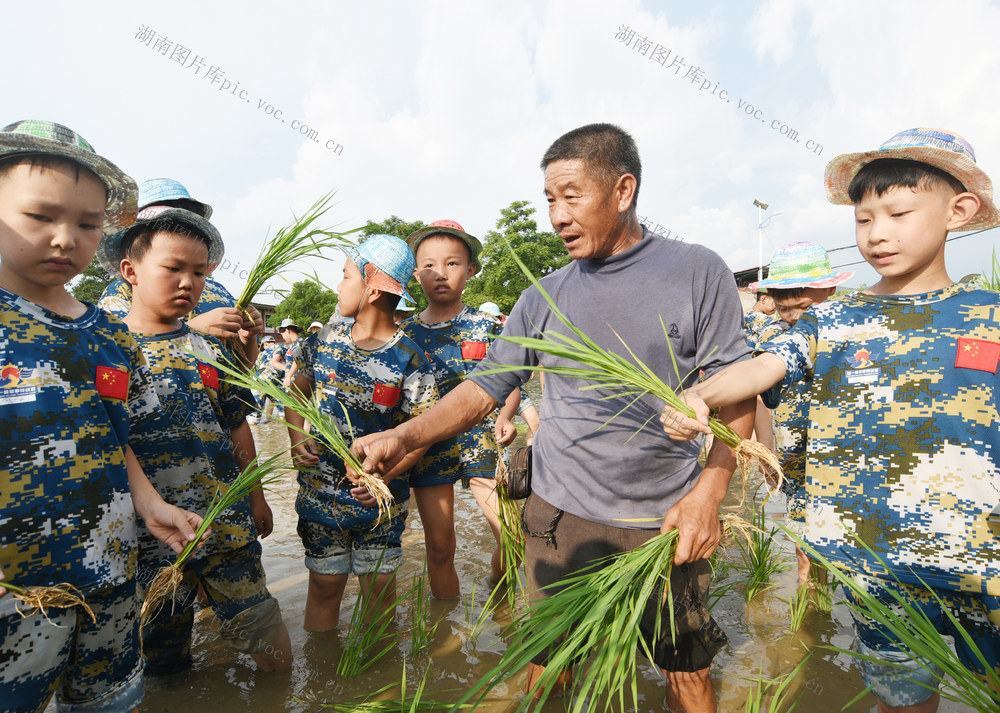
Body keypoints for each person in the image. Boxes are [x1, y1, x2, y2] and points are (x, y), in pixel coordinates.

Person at [354, 123, 754, 712]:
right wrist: (403, 435)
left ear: (622, 190)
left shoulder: (695, 272)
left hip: (666, 517)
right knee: (549, 669)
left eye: (571, 196)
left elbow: (737, 395)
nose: (557, 215)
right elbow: (487, 386)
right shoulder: (544, 295)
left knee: (686, 672)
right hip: (558, 518)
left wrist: (708, 495)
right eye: (549, 199)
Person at [661, 128, 1000, 713]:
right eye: (863, 220)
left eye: (898, 212)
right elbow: (763, 366)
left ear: (959, 210)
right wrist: (703, 397)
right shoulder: (835, 321)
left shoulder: (989, 317)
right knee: (901, 698)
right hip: (879, 573)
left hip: (984, 568)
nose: (878, 234)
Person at [0, 120, 203, 713]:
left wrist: (150, 503)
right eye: (40, 217)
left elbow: (115, 439)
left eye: (87, 224)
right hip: (14, 597)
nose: (66, 238)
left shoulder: (108, 334)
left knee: (111, 702)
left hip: (109, 576)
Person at [104, 206, 291, 678]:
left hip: (226, 527)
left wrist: (257, 496)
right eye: (173, 268)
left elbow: (237, 428)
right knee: (162, 659)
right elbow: (102, 446)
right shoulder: (108, 351)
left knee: (268, 641)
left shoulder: (208, 350)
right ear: (130, 271)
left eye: (199, 272)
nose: (188, 282)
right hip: (150, 541)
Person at [286, 234, 438, 631]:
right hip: (321, 492)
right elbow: (295, 393)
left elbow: (420, 434)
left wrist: (383, 479)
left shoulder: (411, 358)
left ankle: (373, 681)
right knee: (323, 586)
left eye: (346, 275)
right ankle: (319, 682)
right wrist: (296, 437)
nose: (339, 285)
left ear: (372, 288)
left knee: (379, 592)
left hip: (379, 502)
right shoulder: (321, 342)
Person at [401, 219, 521, 597]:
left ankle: (499, 601)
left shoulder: (488, 327)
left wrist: (505, 415)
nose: (441, 273)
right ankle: (445, 632)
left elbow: (510, 381)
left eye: (453, 263)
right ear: (416, 273)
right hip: (427, 450)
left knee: (513, 537)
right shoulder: (403, 336)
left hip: (483, 444)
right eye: (430, 265)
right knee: (439, 548)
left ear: (470, 270)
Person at [749, 242, 852, 587]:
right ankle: (813, 603)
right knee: (803, 537)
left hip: (844, 454)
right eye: (784, 307)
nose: (793, 316)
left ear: (828, 291)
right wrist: (766, 451)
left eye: (804, 306)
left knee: (851, 541)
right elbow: (763, 398)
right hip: (796, 456)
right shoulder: (770, 335)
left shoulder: (848, 332)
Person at [97, 178, 263, 367]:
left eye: (186, 216)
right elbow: (119, 352)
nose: (178, 225)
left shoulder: (219, 293)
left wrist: (248, 336)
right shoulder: (119, 294)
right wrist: (193, 330)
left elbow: (240, 371)